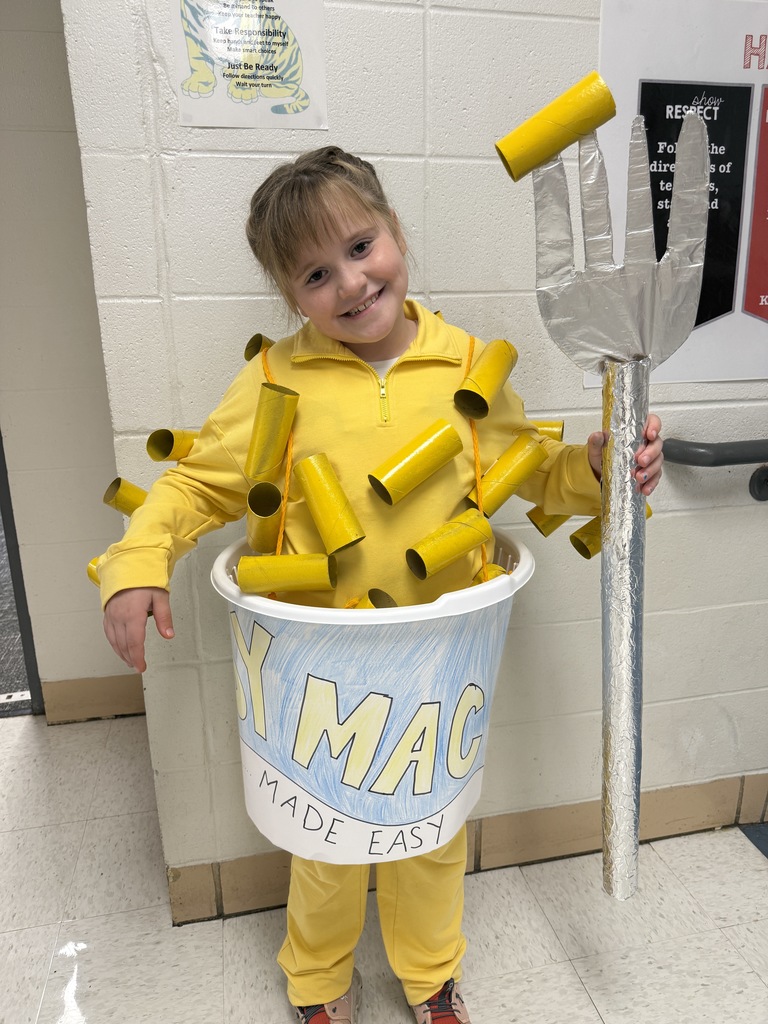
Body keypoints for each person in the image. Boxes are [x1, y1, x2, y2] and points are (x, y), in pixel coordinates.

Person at [99, 146, 663, 1024]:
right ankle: (318, 983)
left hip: (439, 657)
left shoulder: (467, 366)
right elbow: (195, 484)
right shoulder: (275, 378)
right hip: (320, 664)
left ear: (395, 231)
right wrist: (137, 564)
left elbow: (533, 472)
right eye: (317, 274)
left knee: (430, 833)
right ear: (291, 296)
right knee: (324, 840)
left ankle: (431, 974)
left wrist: (599, 470)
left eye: (362, 247)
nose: (353, 284)